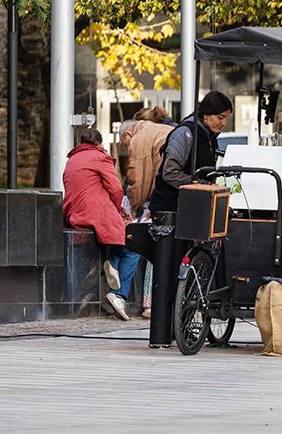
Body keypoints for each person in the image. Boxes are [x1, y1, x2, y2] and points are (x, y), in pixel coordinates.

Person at [62, 128, 137, 321]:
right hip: (97, 214)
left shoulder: (71, 160)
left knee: (113, 242)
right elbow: (116, 189)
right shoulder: (99, 157)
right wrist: (121, 210)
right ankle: (117, 294)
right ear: (99, 144)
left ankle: (105, 268)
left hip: (74, 215)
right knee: (131, 250)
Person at [118, 106, 174, 318]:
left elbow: (138, 177)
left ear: (127, 134)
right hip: (174, 191)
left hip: (163, 196)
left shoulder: (140, 137)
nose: (127, 147)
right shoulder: (161, 131)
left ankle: (151, 304)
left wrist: (134, 205)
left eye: (125, 144)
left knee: (156, 246)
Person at [147, 91, 232, 214]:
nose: (224, 123)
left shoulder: (210, 137)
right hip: (170, 209)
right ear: (206, 114)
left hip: (191, 208)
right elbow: (170, 173)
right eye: (220, 117)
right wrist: (204, 185)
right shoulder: (185, 133)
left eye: (226, 118)